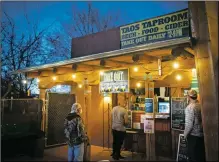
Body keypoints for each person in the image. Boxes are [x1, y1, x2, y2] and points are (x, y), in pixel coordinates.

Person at [184, 89, 206, 162]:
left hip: (193, 137)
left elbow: (189, 125)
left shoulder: (189, 108)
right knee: (201, 156)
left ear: (189, 97)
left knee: (193, 157)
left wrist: (185, 135)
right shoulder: (200, 105)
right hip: (202, 135)